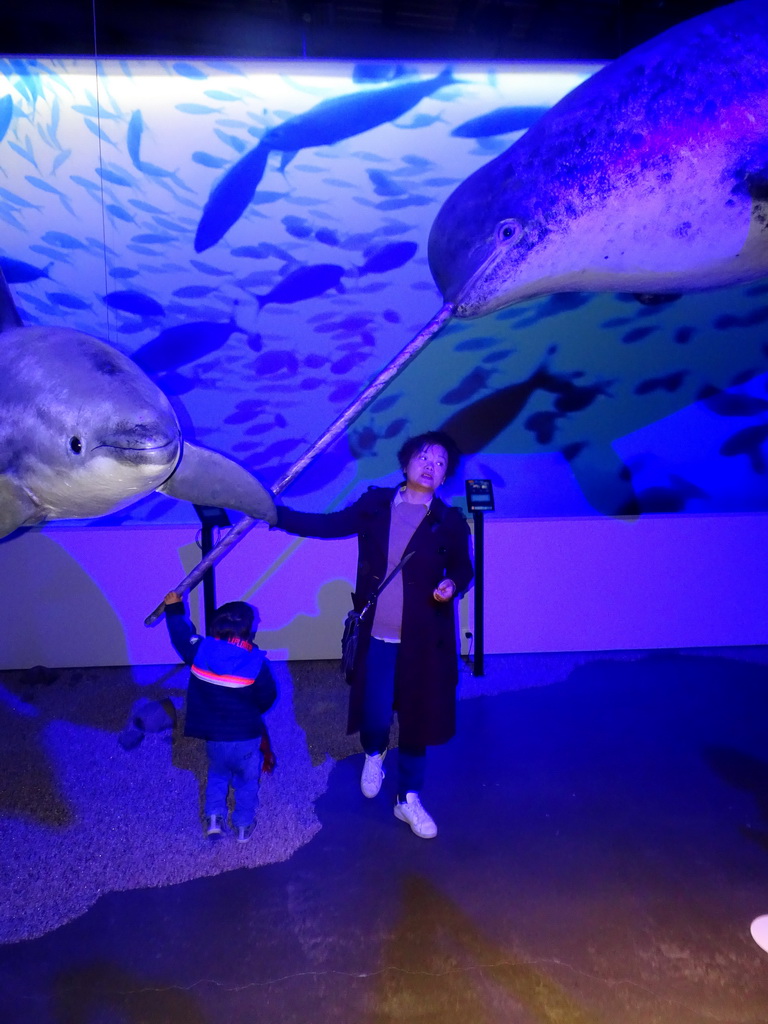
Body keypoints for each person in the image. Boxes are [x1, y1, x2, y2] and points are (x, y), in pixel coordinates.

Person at [274, 431, 473, 839]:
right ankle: (374, 752)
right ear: (405, 465)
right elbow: (328, 525)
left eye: (439, 463)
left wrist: (452, 584)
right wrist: (276, 516)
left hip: (425, 642)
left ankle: (408, 800)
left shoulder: (449, 522)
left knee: (418, 722)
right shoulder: (375, 505)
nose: (430, 465)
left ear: (444, 476)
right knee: (375, 713)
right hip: (378, 635)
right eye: (423, 457)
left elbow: (463, 568)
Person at [163, 591, 277, 843]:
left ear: (214, 629)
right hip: (246, 738)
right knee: (247, 782)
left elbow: (181, 637)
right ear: (248, 633)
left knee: (217, 774)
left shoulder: (201, 651)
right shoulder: (256, 664)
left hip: (215, 737)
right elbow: (268, 697)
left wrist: (174, 609)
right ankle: (244, 825)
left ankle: (214, 817)